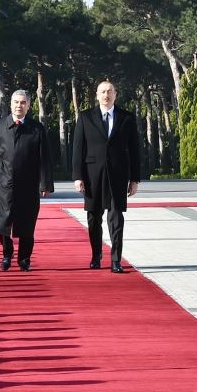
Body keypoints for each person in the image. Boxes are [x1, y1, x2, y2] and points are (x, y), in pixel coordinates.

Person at [72, 80, 141, 273]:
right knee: (94, 218)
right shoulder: (85, 117)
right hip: (92, 175)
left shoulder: (126, 118)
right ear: (97, 95)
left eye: (110, 91)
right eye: (102, 91)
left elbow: (134, 150)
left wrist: (135, 179)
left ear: (115, 94)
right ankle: (96, 255)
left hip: (118, 175)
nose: (106, 95)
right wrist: (78, 177)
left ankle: (116, 260)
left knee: (116, 218)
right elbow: (78, 149)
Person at [0, 90, 53, 271]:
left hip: (28, 186)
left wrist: (45, 184)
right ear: (11, 104)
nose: (19, 106)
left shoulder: (37, 128)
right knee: (2, 222)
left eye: (23, 103)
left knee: (27, 223)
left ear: (28, 106)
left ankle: (24, 258)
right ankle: (7, 254)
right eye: (16, 102)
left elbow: (44, 158)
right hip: (3, 184)